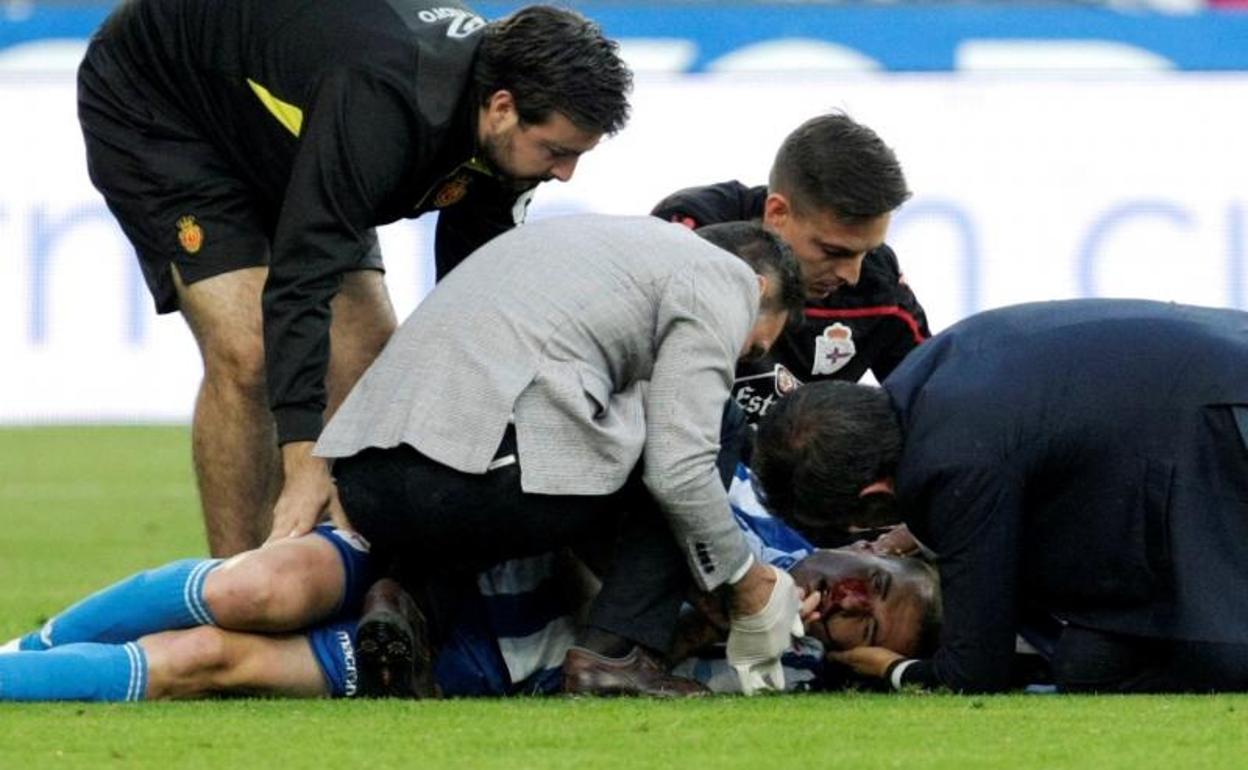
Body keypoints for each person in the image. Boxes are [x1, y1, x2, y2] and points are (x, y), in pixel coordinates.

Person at [78, 0, 632, 556]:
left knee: (369, 356)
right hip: (165, 104)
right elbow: (302, 282)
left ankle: (327, 575)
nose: (564, 173)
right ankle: (234, 594)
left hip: (293, 113)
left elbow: (476, 299)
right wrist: (305, 458)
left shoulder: (503, 121)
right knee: (249, 353)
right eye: (557, 152)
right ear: (503, 107)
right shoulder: (385, 104)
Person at [316, 213, 810, 697]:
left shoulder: (590, 239)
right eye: (750, 351)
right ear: (759, 287)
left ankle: (409, 601)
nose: (740, 359)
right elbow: (678, 471)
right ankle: (618, 654)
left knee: (529, 454)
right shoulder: (726, 278)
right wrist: (744, 580)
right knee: (708, 424)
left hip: (366, 478)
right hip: (474, 477)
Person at [0, 470, 940, 701]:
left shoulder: (780, 681)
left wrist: (695, 640)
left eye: (873, 621)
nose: (849, 601)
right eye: (871, 581)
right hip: (445, 552)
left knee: (210, 662)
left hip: (479, 656)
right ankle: (31, 649)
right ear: (872, 543)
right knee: (261, 587)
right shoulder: (741, 504)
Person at [751, 299, 1248, 693]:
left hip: (1227, 421)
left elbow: (972, 673)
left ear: (873, 495)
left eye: (860, 525)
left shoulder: (951, 464)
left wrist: (889, 669)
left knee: (1217, 657)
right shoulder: (930, 371)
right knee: (1090, 664)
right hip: (1223, 376)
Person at [651, 112, 928, 425]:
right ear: (778, 212)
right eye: (833, 251)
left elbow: (932, 402)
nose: (851, 276)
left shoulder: (878, 285)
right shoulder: (692, 233)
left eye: (868, 252)